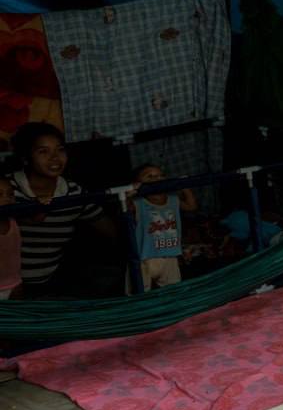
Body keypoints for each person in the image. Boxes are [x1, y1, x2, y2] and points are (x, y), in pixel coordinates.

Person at [8, 122, 113, 297]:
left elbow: (112, 231)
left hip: (49, 285)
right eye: (43, 151)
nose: (55, 158)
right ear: (26, 157)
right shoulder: (6, 189)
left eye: (60, 150)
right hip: (6, 289)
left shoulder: (74, 192)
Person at [128, 163, 196, 292]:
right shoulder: (138, 203)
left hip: (169, 256)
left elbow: (191, 207)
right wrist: (130, 193)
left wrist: (184, 186)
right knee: (139, 295)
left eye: (161, 175)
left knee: (174, 292)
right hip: (144, 259)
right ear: (138, 182)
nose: (157, 179)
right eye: (150, 176)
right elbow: (124, 208)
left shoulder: (173, 200)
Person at [0, 178, 21, 299]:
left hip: (14, 284)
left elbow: (38, 218)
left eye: (10, 194)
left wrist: (43, 203)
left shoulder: (13, 219)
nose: (7, 198)